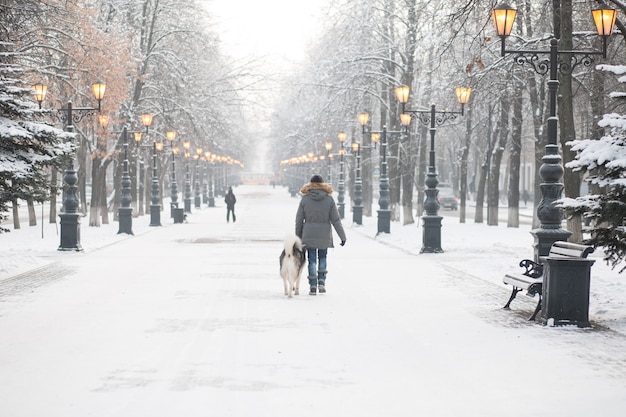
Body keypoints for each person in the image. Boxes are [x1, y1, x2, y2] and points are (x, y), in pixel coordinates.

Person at [296, 174, 346, 295]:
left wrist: (298, 237)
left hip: (308, 234)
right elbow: (335, 220)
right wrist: (342, 237)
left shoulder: (305, 199)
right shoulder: (329, 200)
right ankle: (322, 281)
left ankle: (313, 285)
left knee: (312, 259)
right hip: (324, 234)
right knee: (322, 257)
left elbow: (299, 220)